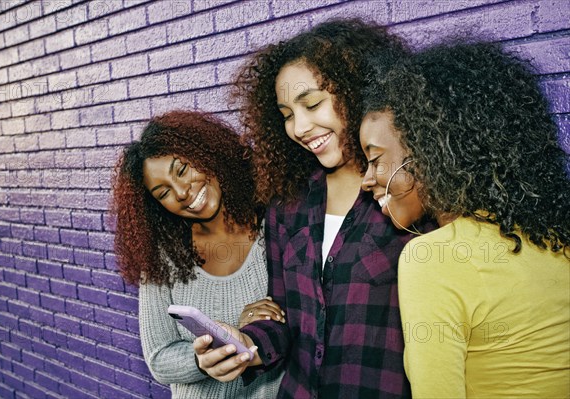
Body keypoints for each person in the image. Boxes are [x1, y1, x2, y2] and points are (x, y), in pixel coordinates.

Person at [194, 19, 433, 398]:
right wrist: (244, 346)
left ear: (358, 92)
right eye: (287, 114)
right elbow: (284, 320)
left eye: (312, 104)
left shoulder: (409, 195)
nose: (300, 127)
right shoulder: (288, 203)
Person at [359, 41, 570, 397]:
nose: (366, 179)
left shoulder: (433, 260)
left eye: (376, 160)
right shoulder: (555, 235)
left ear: (428, 154)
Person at [111, 110, 285, 399]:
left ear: (207, 152)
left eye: (182, 170)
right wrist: (201, 360)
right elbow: (158, 357)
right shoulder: (163, 257)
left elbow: (307, 321)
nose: (180, 192)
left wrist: (255, 330)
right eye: (163, 193)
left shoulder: (276, 225)